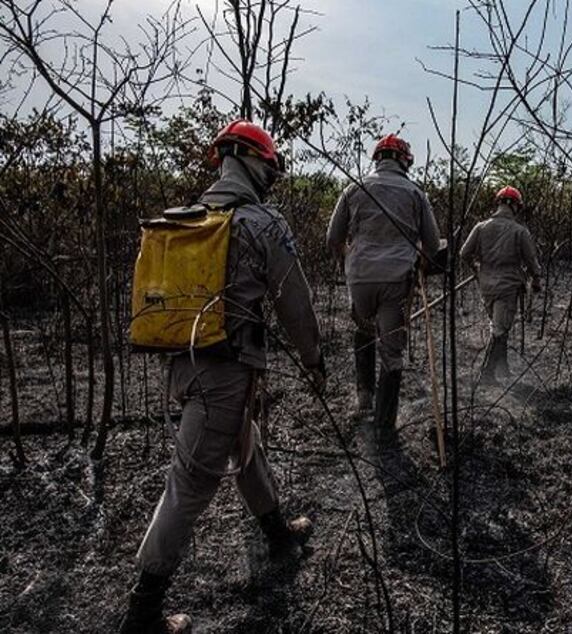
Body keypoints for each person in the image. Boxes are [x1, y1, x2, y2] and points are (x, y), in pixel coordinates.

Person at [119, 120, 327, 633]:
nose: (272, 179)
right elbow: (294, 303)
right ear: (255, 163)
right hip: (225, 372)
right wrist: (314, 359)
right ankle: (142, 611)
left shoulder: (188, 218)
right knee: (189, 483)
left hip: (184, 365)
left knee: (244, 443)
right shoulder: (262, 223)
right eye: (271, 169)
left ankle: (277, 532)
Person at [326, 133, 440, 444]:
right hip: (396, 280)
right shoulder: (417, 194)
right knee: (392, 352)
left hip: (359, 277)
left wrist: (347, 265)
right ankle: (385, 425)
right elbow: (432, 244)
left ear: (377, 159)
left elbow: (333, 238)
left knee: (363, 330)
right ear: (405, 161)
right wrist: (421, 263)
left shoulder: (354, 188)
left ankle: (364, 397)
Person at [460, 185, 542, 385]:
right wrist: (537, 279)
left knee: (497, 325)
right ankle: (486, 374)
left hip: (486, 286)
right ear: (515, 206)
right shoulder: (519, 231)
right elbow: (531, 261)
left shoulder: (481, 227)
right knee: (500, 329)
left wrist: (477, 269)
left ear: (498, 203)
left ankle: (502, 368)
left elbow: (464, 253)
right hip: (508, 287)